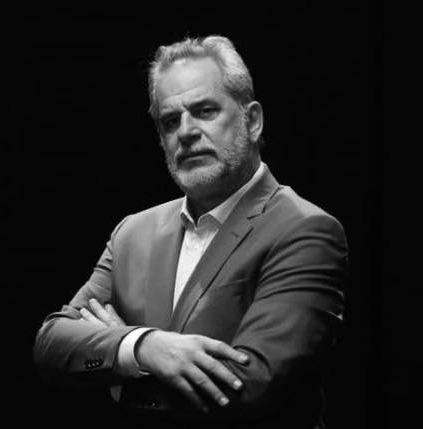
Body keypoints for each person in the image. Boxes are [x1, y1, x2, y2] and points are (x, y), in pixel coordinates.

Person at [34, 35, 348, 429]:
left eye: (204, 110)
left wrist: (121, 373)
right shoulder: (133, 232)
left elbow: (249, 387)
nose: (185, 132)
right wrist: (144, 346)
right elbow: (51, 344)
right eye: (170, 121)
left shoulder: (305, 230)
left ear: (252, 121)